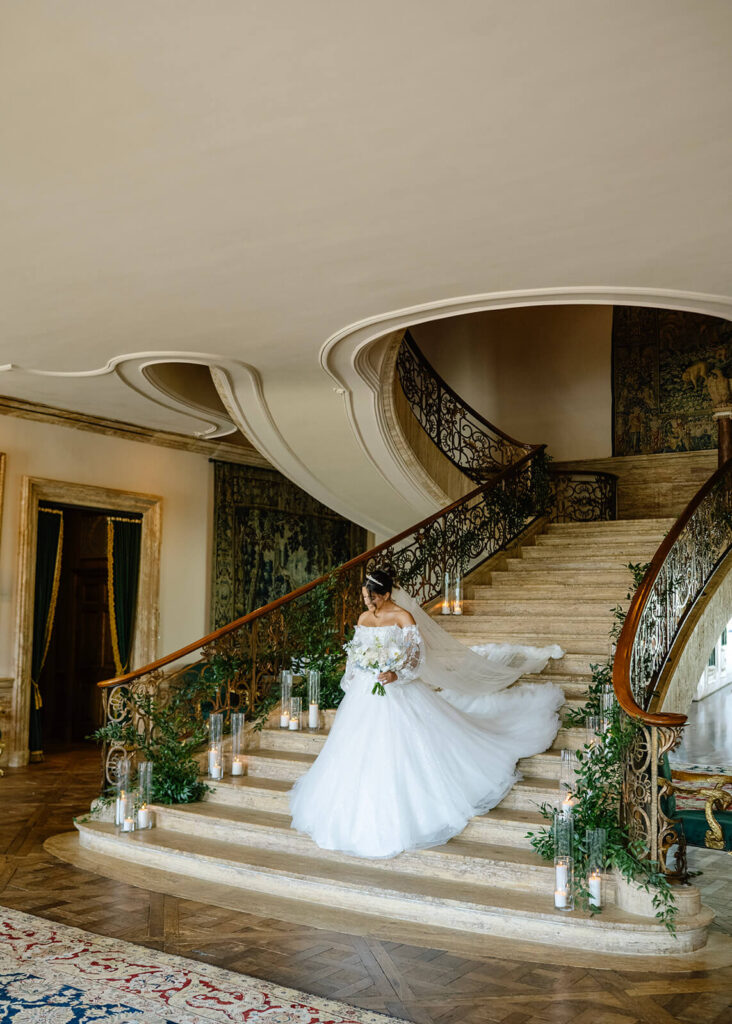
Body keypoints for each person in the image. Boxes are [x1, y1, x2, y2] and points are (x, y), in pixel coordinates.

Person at [289, 569, 564, 859]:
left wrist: (397, 673)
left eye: (372, 597)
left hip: (397, 688)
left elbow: (416, 658)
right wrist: (359, 676)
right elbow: (356, 656)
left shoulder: (403, 617)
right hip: (366, 694)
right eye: (364, 596)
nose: (368, 602)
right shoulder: (363, 618)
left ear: (385, 594)